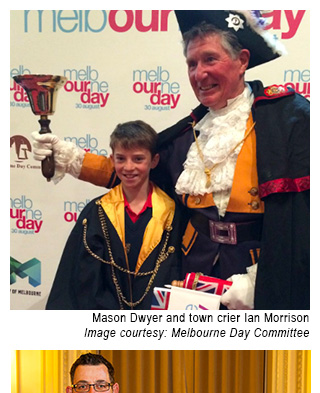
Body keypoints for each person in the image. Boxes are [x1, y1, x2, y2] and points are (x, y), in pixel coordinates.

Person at [33, 11, 309, 310]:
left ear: (242, 60)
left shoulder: (289, 118)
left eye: (210, 60)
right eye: (192, 64)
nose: (199, 74)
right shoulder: (189, 132)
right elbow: (134, 174)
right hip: (192, 269)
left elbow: (303, 219)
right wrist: (68, 156)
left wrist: (258, 280)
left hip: (260, 270)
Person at [46, 121, 181, 310]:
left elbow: (174, 273)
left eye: (138, 159)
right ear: (112, 159)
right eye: (121, 158)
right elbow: (82, 280)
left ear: (154, 160)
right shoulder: (97, 212)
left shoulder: (172, 213)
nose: (128, 167)